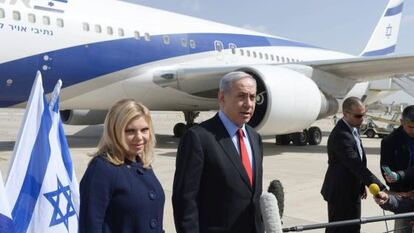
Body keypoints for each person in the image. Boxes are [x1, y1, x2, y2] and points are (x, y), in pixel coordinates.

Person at [172, 71, 264, 233]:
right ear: (222, 98)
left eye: (252, 97)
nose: (248, 104)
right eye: (241, 96)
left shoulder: (254, 137)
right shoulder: (199, 138)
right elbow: (185, 201)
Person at [79, 99, 165, 233]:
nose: (139, 137)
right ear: (114, 132)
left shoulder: (142, 164)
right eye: (130, 131)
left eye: (144, 130)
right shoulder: (102, 169)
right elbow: (90, 225)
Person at [321, 96, 386, 233]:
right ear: (345, 114)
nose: (362, 119)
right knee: (339, 229)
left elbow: (360, 159)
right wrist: (380, 187)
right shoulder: (341, 135)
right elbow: (355, 164)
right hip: (340, 192)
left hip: (352, 189)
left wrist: (362, 184)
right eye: (358, 116)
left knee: (354, 226)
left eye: (363, 115)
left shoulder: (353, 129)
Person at [380, 105, 414, 233]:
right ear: (401, 122)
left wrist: (401, 174)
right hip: (402, 195)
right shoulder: (390, 141)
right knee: (403, 228)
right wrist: (391, 178)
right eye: (410, 127)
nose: (413, 130)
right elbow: (385, 166)